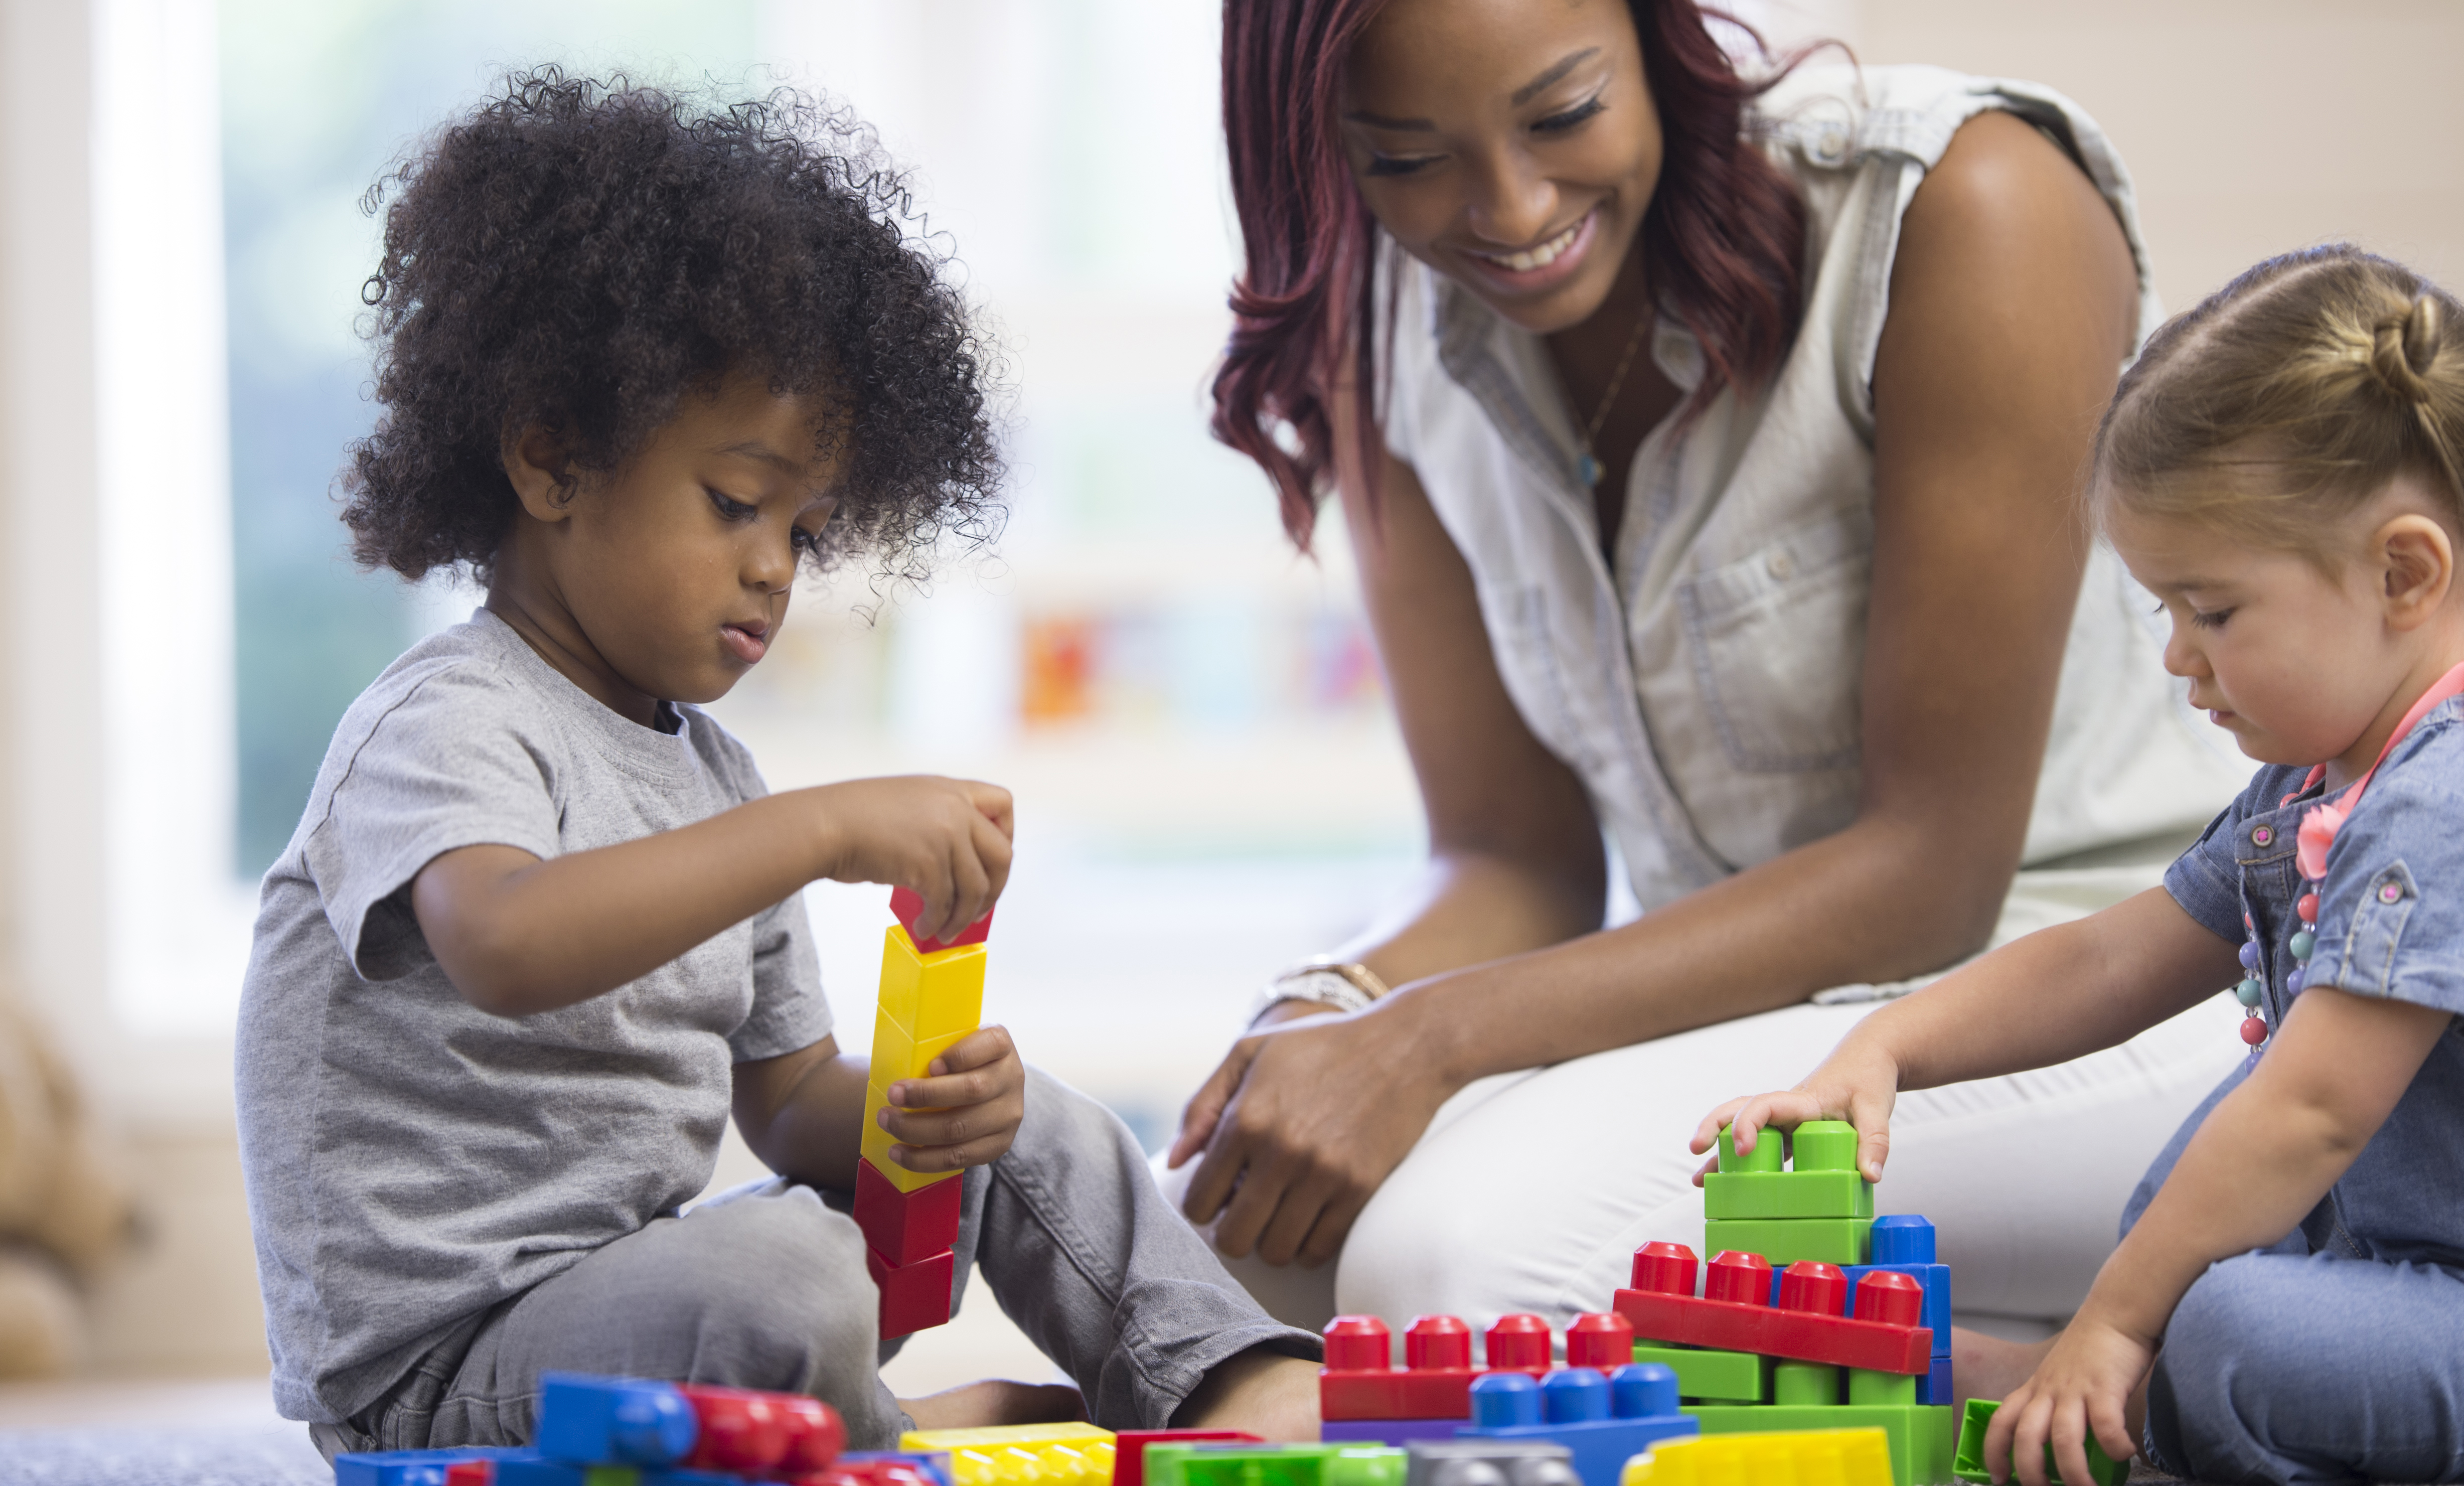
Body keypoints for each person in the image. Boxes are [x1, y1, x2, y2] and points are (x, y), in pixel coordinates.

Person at [233, 71, 1318, 1459]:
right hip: (441, 1377)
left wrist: (939, 1108)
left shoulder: (715, 775)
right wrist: (819, 831)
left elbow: (790, 1096)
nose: (771, 566)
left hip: (646, 1302)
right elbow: (504, 940)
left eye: (804, 533)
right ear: (553, 459)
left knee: (1013, 1111)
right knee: (787, 1277)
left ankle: (1220, 1377)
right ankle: (890, 1438)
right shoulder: (444, 721)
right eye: (735, 503)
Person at [1167, 0, 2256, 1346]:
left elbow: (1931, 870)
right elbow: (1515, 860)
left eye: (1562, 114)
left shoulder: (1963, 203)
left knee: (1447, 1268)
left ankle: (2069, 1377)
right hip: (1758, 1032)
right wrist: (1328, 1010)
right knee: (1230, 1249)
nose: (1507, 210)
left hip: (2105, 993)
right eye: (1404, 159)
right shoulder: (1381, 323)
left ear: (1651, 37)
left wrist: (1432, 1038)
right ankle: (1969, 1356)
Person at [1699, 245, 2464, 1485]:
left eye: (2210, 611)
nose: (2177, 657)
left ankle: (2139, 1394)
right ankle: (2122, 1385)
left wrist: (2113, 1317)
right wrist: (1887, 1042)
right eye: (2162, 612)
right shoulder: (2317, 779)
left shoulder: (2444, 793)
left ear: (2401, 573)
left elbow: (2317, 1107)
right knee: (2187, 1195)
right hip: (2393, 1264)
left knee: (2222, 1318)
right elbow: (2113, 954)